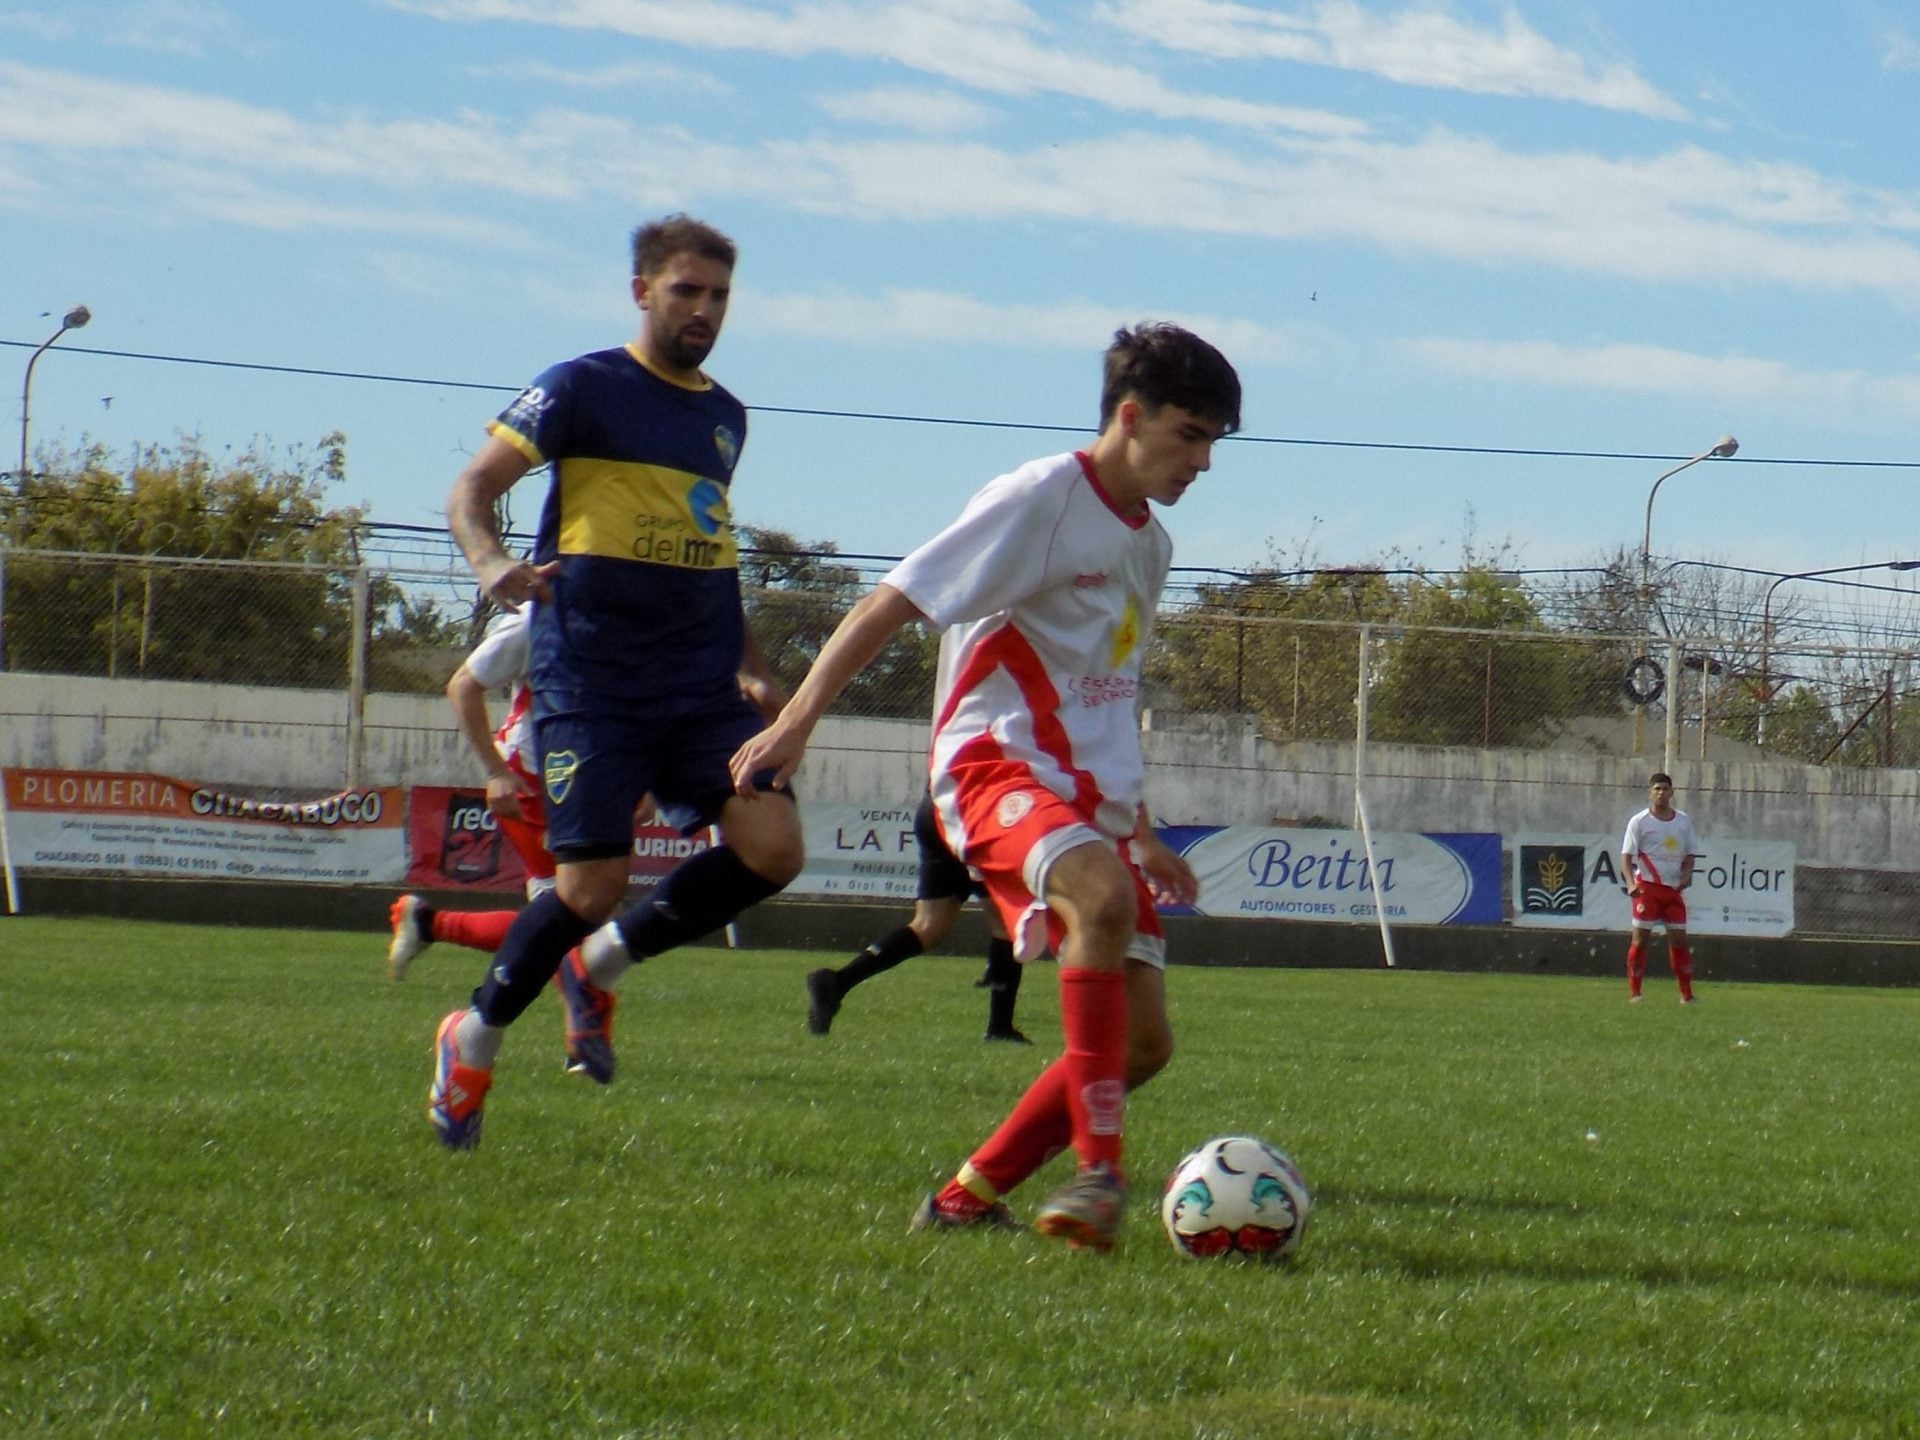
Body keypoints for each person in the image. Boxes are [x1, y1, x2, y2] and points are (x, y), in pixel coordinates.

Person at [730, 322, 1240, 1251]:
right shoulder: (1041, 497)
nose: (1204, 461)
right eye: (1190, 435)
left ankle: (966, 1199)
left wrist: (1146, 827)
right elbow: (896, 596)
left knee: (1145, 1044)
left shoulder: (1150, 547)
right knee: (1098, 896)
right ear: (1130, 417)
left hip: (1091, 798)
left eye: (1215, 442)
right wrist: (798, 719)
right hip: (991, 764)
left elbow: (1108, 694)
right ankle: (1099, 1174)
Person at [428, 213, 804, 1149]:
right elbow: (471, 489)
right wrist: (490, 566)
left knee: (774, 847)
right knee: (589, 883)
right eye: (687, 291)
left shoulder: (726, 416)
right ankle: (471, 1037)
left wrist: (757, 672)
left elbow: (712, 553)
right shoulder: (578, 388)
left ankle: (604, 962)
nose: (704, 311)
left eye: (719, 295)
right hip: (591, 679)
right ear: (642, 290)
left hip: (698, 682)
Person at [386, 604, 551, 981]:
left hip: (579, 779)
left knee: (582, 913)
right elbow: (462, 686)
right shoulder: (534, 618)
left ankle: (428, 924)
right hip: (531, 778)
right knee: (576, 914)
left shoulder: (625, 612)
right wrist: (496, 772)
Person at [805, 789, 1031, 1043]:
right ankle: (999, 1027)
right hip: (976, 811)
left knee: (929, 925)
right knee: (1004, 921)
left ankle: (837, 982)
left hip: (936, 810)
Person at [1621, 771, 1699, 1005]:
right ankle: (1635, 993)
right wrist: (1630, 883)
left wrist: (1687, 873)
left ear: (1672, 793)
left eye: (1665, 789)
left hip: (1673, 891)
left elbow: (1690, 854)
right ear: (1649, 792)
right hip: (1647, 889)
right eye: (1656, 789)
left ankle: (1686, 995)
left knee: (1679, 941)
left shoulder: (1683, 821)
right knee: (1641, 940)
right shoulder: (1639, 821)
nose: (1660, 793)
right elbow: (1626, 856)